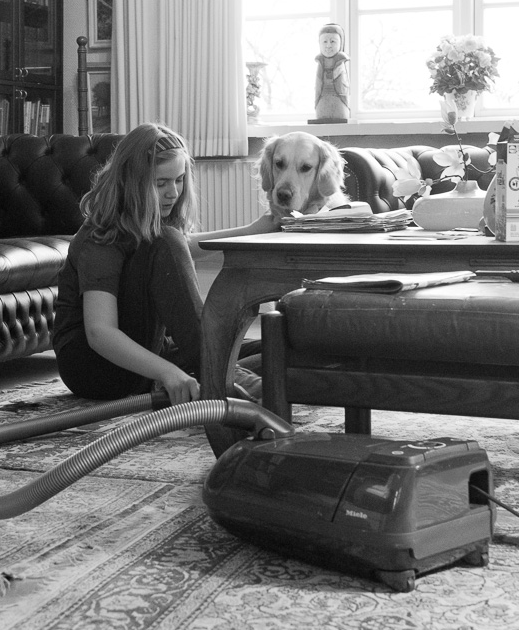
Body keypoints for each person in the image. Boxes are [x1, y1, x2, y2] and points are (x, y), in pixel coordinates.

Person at [53, 123, 278, 406]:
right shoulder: (101, 236)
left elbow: (182, 247)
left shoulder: (149, 227)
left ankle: (227, 369)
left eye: (179, 179)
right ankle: (224, 375)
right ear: (131, 181)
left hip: (144, 349)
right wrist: (168, 372)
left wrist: (251, 230)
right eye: (161, 183)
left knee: (269, 349)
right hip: (94, 367)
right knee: (217, 355)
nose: (173, 192)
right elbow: (100, 333)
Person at [314, 23, 350, 121]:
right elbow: (318, 84)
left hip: (338, 97)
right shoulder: (320, 61)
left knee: (339, 113)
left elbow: (342, 85)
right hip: (323, 97)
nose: (328, 45)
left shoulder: (340, 61)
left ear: (340, 43)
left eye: (333, 41)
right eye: (324, 41)